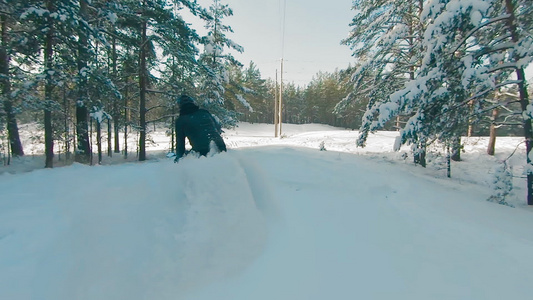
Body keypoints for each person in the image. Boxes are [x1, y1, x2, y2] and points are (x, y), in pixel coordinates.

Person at [174, 95, 227, 161]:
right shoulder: (204, 112)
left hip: (201, 150)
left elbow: (180, 144)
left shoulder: (180, 121)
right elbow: (217, 128)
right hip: (220, 144)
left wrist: (178, 158)